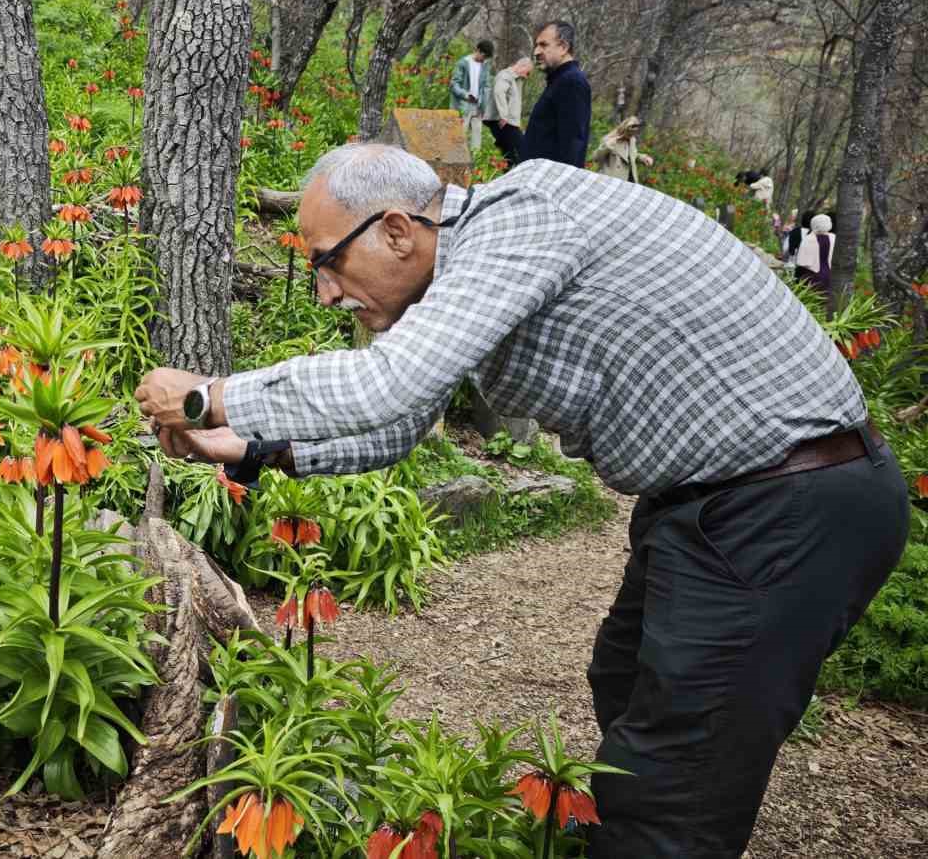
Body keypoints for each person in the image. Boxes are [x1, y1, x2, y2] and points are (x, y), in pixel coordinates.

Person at [134, 143, 905, 858]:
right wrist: (248, 448)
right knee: (625, 684)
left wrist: (207, 397)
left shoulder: (525, 218)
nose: (326, 292)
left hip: (790, 505)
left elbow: (384, 385)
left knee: (673, 783)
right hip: (716, 505)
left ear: (397, 230)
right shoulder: (470, 268)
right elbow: (398, 426)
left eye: (328, 262)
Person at [519, 21, 592, 167]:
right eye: (536, 46)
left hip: (549, 179)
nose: (536, 52)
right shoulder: (559, 80)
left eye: (543, 45)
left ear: (563, 47)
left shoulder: (572, 82)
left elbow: (572, 146)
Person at [449, 40, 495, 154]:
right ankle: (458, 158)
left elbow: (487, 87)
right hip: (463, 104)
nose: (484, 59)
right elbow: (454, 84)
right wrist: (465, 94)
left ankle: (476, 160)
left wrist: (483, 107)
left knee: (477, 137)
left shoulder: (485, 65)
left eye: (486, 57)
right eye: (483, 56)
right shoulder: (463, 63)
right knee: (460, 135)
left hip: (478, 105)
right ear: (478, 50)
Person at [485, 56, 532, 166]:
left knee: (508, 154)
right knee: (521, 150)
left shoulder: (515, 79)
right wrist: (504, 116)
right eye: (528, 72)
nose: (526, 76)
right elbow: (499, 92)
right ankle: (516, 172)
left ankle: (508, 172)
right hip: (503, 122)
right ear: (522, 66)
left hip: (509, 122)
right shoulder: (505, 75)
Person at [590, 116, 653, 183]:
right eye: (631, 132)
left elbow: (629, 155)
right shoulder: (610, 139)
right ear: (625, 128)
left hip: (626, 181)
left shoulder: (632, 140)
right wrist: (607, 146)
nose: (633, 134)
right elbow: (595, 157)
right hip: (609, 181)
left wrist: (643, 158)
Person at [795, 212, 835, 297]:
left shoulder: (808, 239)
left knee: (812, 297)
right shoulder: (833, 238)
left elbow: (802, 262)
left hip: (811, 274)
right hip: (830, 274)